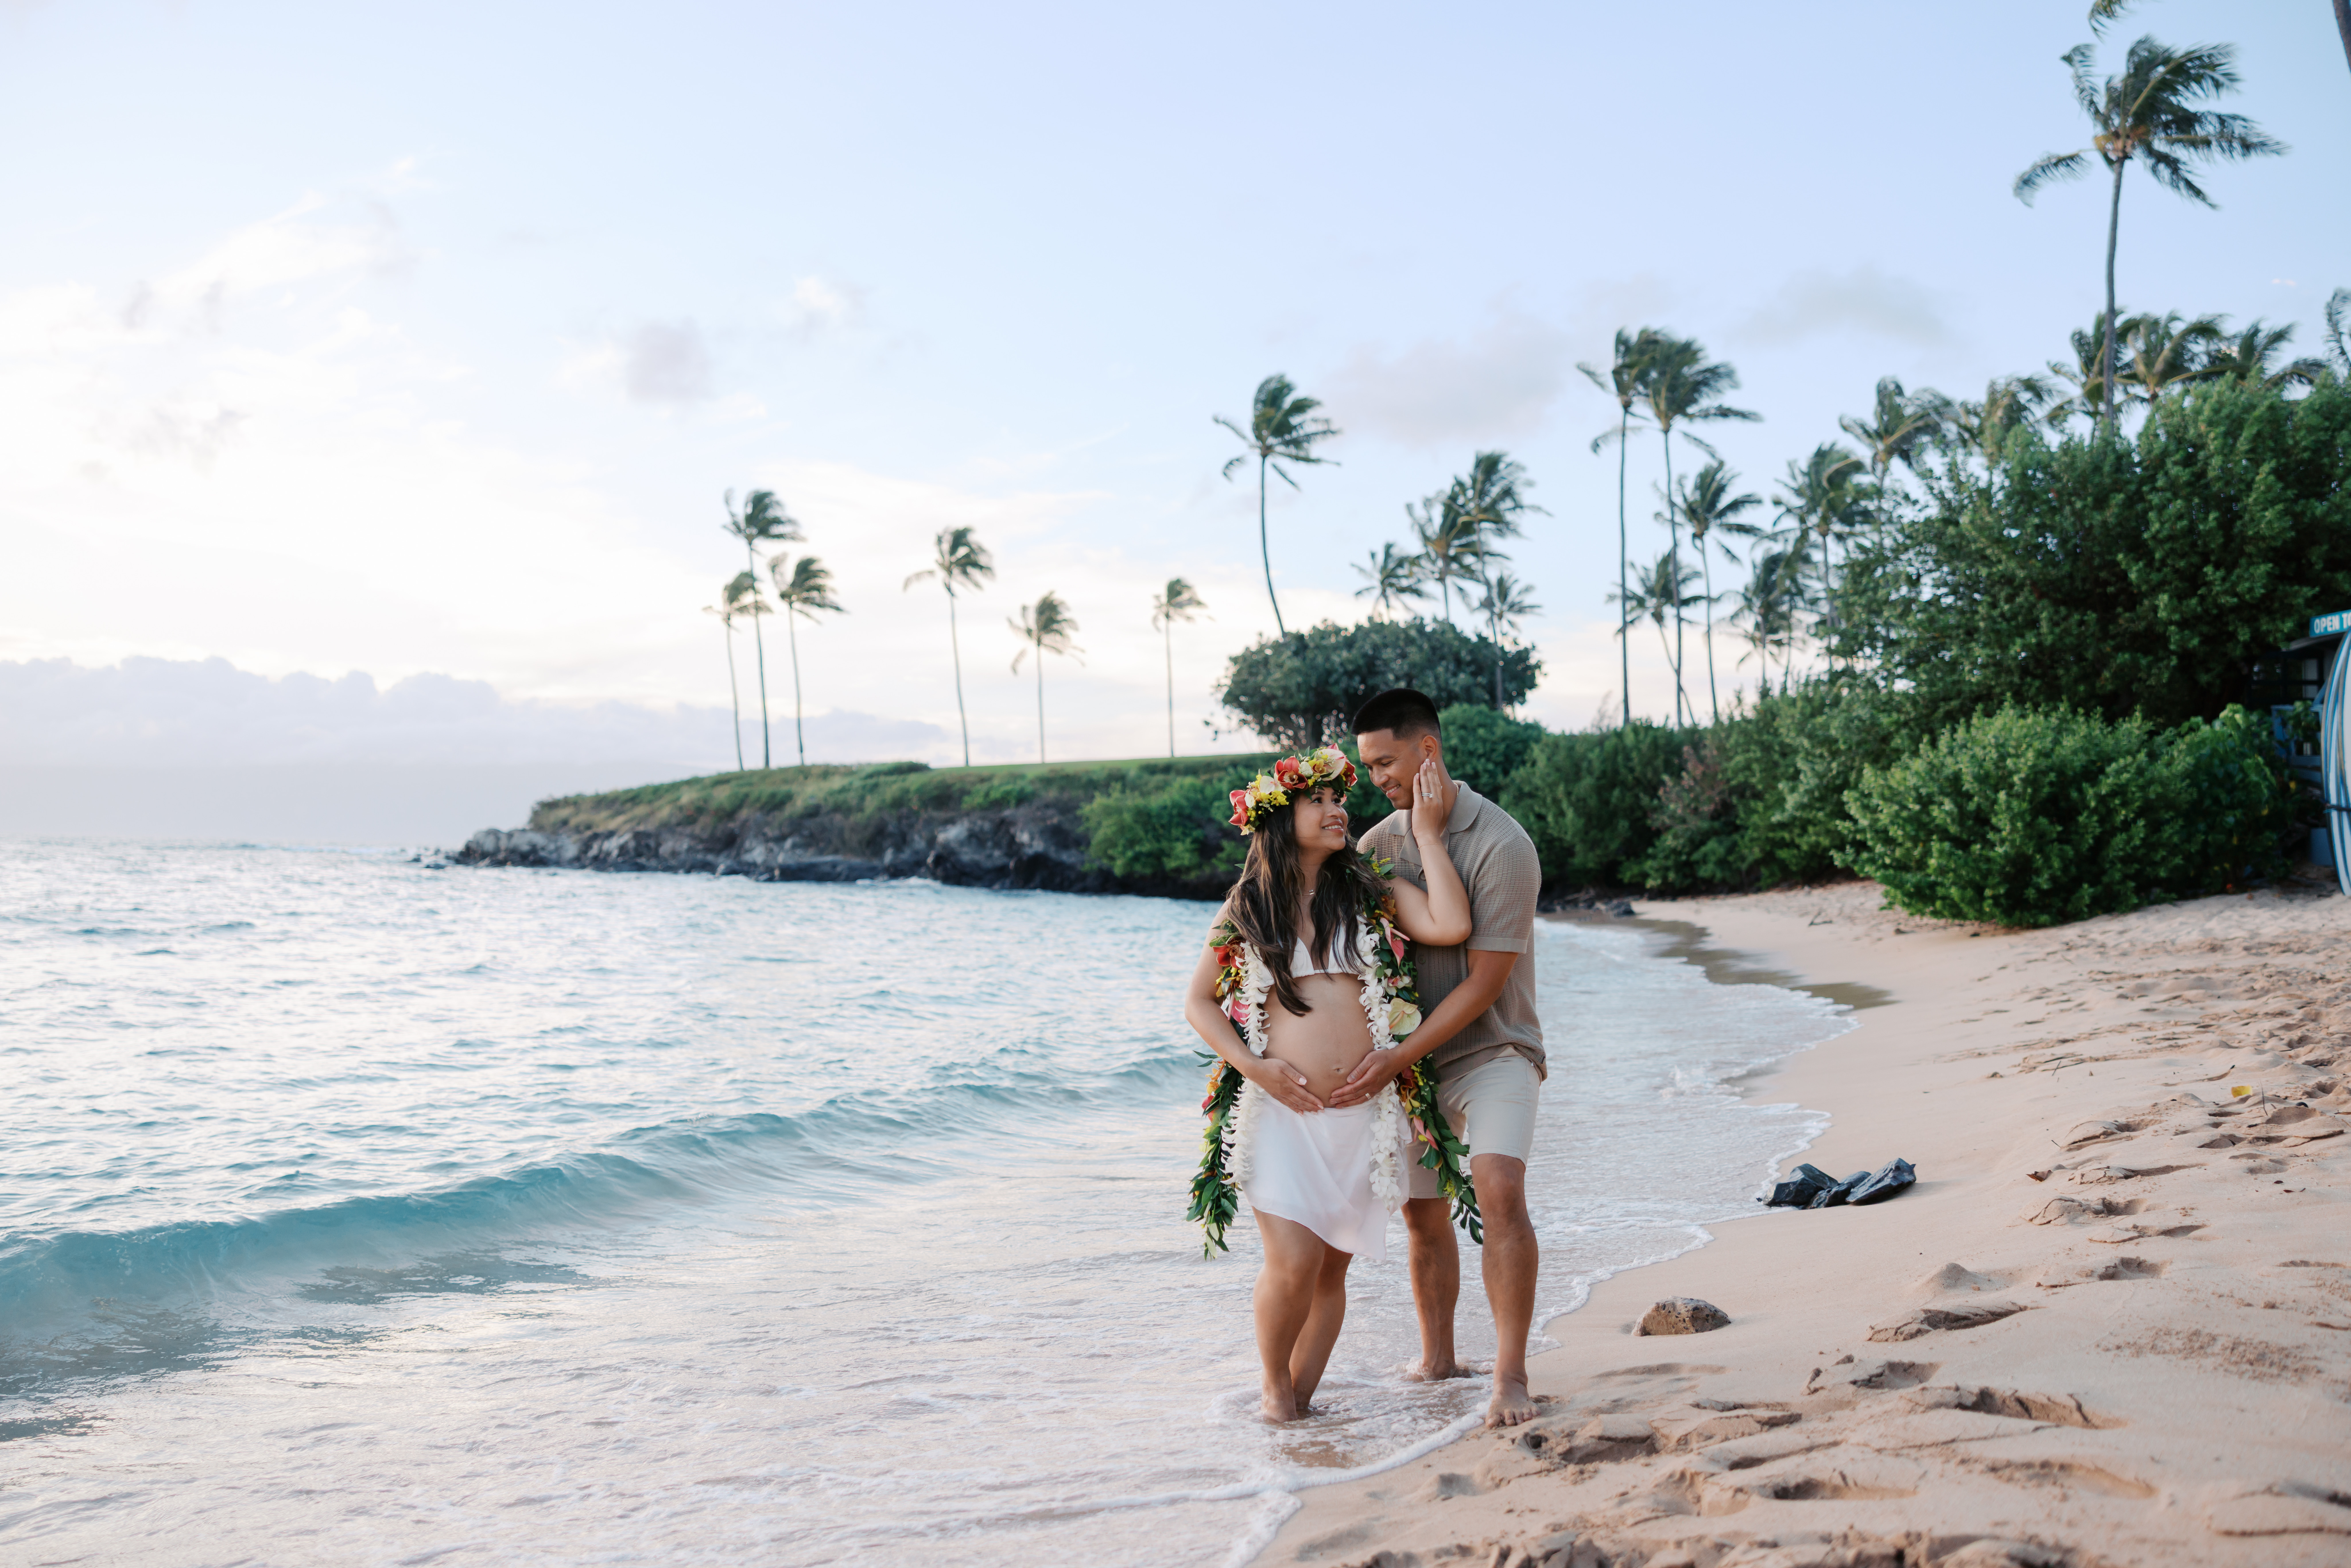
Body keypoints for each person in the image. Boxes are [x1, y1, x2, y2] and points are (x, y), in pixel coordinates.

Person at [1183, 744, 1471, 1422]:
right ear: (1279, 820)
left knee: (1331, 1269)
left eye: (1339, 798)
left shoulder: (1368, 892)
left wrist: (1427, 834)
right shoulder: (1248, 905)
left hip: (1360, 1116)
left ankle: (1300, 1405)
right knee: (1292, 1262)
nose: (1338, 808)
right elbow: (1198, 1002)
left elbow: (1452, 924)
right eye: (1318, 800)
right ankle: (1274, 1392)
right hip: (1283, 1112)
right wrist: (1254, 1067)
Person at [1331, 688, 1547, 1428]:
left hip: (1495, 1048)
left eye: (1385, 761)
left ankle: (1511, 1375)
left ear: (1428, 750)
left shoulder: (1503, 845)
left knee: (1498, 1191)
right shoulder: (1374, 846)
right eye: (1367, 766)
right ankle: (1439, 1358)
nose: (1376, 778)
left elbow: (1486, 983)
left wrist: (1396, 1058)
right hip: (1412, 1064)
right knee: (1424, 1218)